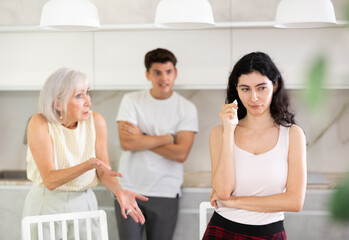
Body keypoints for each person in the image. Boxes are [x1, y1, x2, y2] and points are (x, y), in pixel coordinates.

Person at [22, 68, 148, 239]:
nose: (88, 102)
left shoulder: (96, 121)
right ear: (58, 103)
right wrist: (88, 165)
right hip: (47, 203)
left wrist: (119, 190)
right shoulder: (40, 123)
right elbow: (50, 180)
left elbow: (103, 171)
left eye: (87, 93)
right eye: (79, 96)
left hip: (84, 203)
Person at [203, 52, 307, 239]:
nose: (254, 98)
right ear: (236, 90)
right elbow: (223, 191)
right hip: (221, 231)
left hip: (269, 233)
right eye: (245, 89)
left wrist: (235, 202)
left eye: (261, 88)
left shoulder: (292, 134)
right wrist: (229, 131)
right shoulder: (220, 133)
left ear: (274, 86)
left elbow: (295, 201)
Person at [114, 48, 199, 240]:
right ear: (147, 74)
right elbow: (127, 142)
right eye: (157, 72)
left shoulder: (186, 108)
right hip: (129, 189)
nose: (164, 78)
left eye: (168, 72)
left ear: (175, 73)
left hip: (166, 192)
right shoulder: (131, 101)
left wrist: (142, 137)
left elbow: (180, 154)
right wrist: (167, 138)